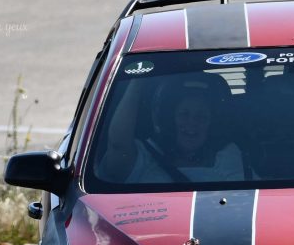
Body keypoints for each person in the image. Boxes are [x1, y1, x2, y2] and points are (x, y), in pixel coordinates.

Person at [99, 74, 248, 183]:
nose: (192, 123)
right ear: (169, 121)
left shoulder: (227, 156)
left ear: (212, 125)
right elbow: (117, 143)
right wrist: (138, 81)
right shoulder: (144, 157)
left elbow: (244, 200)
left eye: (201, 117)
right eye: (184, 114)